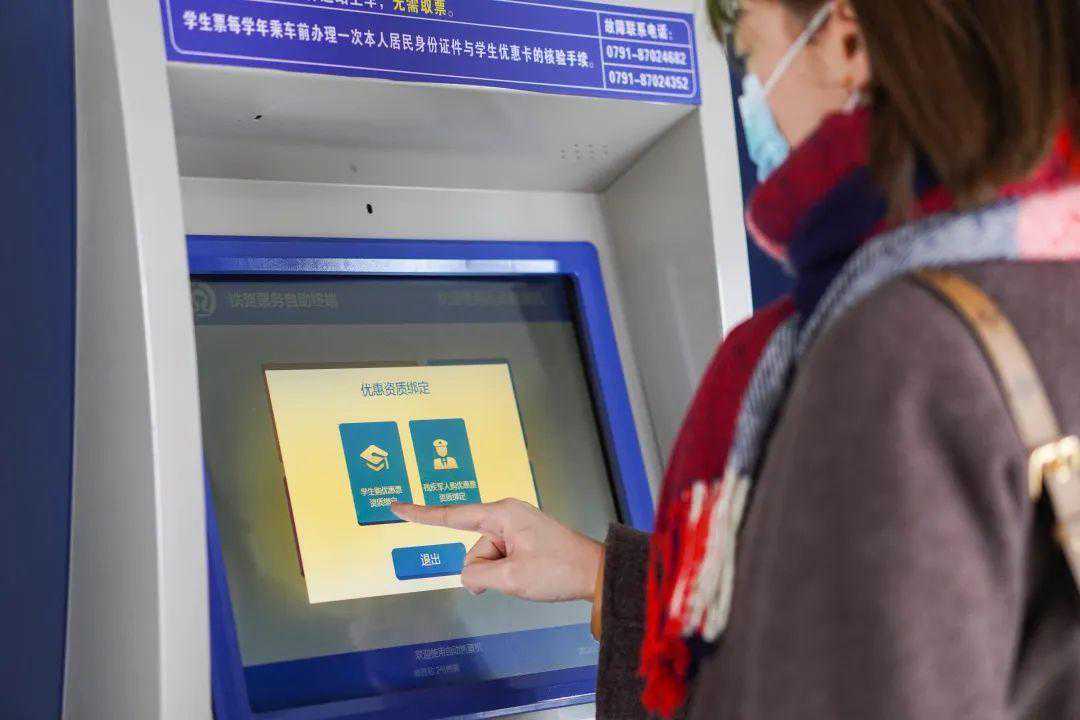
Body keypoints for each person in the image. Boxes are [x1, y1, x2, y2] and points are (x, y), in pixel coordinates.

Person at [394, 0, 1080, 717]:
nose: (752, 98)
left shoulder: (898, 351)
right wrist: (601, 578)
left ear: (845, 42)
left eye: (749, 51)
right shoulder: (1039, 286)